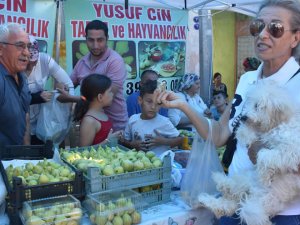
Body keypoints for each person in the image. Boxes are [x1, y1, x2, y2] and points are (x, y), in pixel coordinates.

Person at [156, 0, 300, 224]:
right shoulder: (248, 79)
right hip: (235, 201)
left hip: (281, 214)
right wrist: (183, 105)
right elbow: (220, 133)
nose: (262, 34)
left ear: (295, 37)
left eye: (275, 28)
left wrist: (266, 152)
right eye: (257, 27)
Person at [70, 20, 128, 131]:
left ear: (107, 38)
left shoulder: (115, 61)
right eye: (91, 40)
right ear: (85, 39)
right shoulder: (82, 62)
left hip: (115, 128)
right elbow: (68, 85)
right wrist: (61, 88)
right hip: (90, 126)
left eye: (100, 40)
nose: (95, 45)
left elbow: (105, 98)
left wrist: (72, 98)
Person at [25, 35, 74, 145]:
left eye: (34, 63)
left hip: (41, 122)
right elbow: (13, 98)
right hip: (20, 121)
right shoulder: (13, 65)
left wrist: (69, 105)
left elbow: (68, 84)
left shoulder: (44, 60)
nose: (31, 66)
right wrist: (35, 98)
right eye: (27, 62)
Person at [122, 80, 182, 156]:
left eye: (158, 103)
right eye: (149, 101)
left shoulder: (164, 122)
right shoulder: (133, 119)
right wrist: (132, 145)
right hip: (138, 164)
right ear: (140, 100)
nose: (153, 107)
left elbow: (180, 140)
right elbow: (125, 141)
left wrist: (163, 141)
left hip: (160, 164)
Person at [0, 23, 31, 146]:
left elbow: (25, 117)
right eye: (20, 46)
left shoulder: (22, 76)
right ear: (1, 50)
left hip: (16, 161)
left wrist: (26, 154)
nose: (27, 53)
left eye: (28, 47)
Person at [73, 74, 121, 147]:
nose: (112, 94)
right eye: (110, 91)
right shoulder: (89, 121)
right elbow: (84, 150)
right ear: (100, 97)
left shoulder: (102, 112)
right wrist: (108, 141)